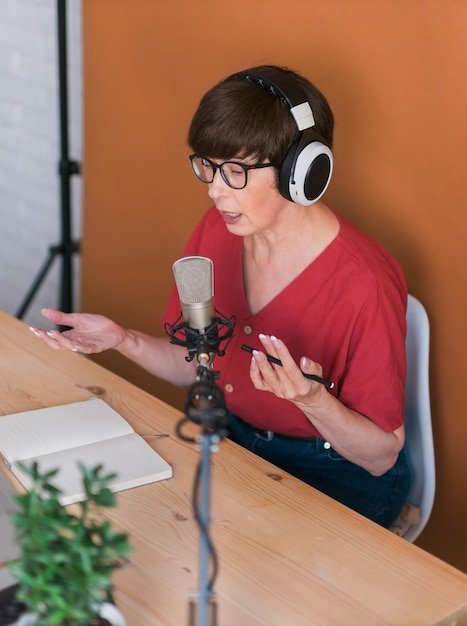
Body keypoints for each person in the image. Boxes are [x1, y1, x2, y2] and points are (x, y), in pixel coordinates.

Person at [30, 65, 410, 528]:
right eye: (209, 166)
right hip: (236, 443)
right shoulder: (216, 231)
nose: (213, 190)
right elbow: (196, 363)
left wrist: (312, 400)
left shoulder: (365, 283)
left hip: (335, 473)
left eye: (235, 172)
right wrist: (123, 340)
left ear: (301, 173)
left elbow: (380, 457)